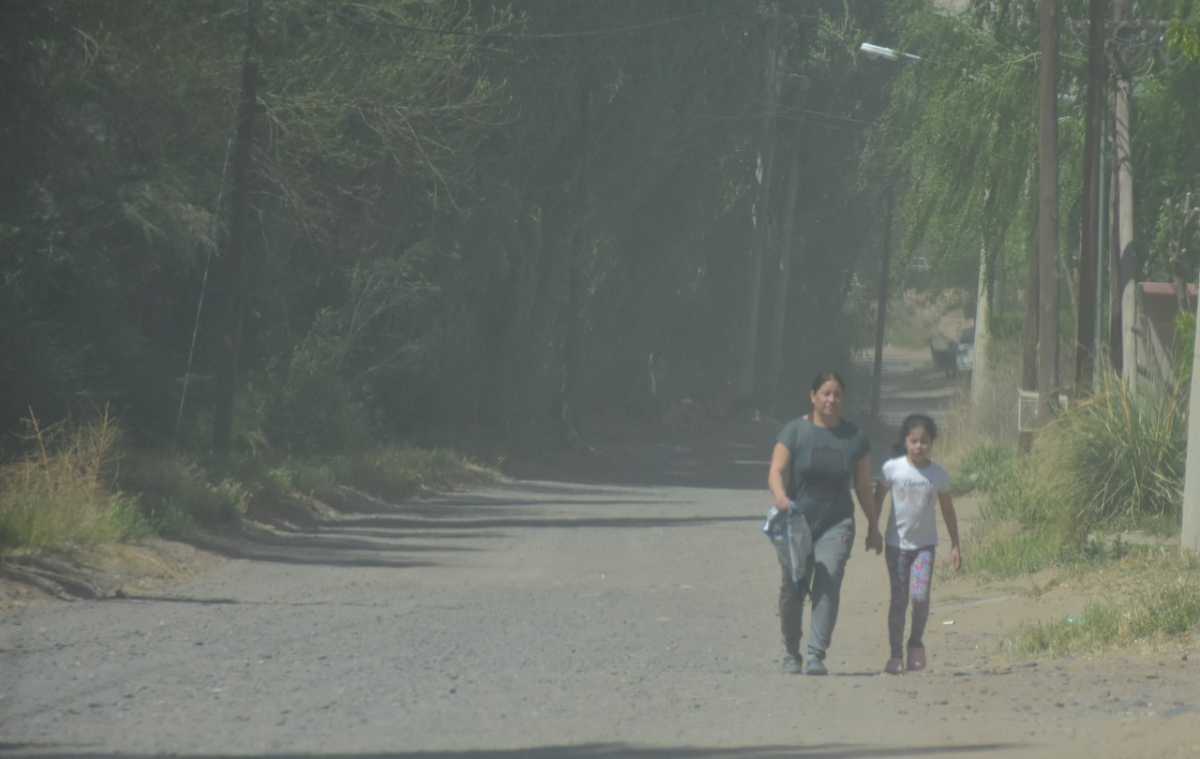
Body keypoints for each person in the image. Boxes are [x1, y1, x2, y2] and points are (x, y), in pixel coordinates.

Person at [768, 371, 882, 675]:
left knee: (828, 579)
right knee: (793, 588)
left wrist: (873, 525)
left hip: (837, 522)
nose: (831, 400)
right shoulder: (794, 431)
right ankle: (792, 651)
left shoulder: (854, 438)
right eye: (825, 393)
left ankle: (816, 653)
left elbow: (863, 485)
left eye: (837, 395)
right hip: (797, 523)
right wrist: (780, 497)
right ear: (813, 396)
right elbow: (776, 471)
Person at [874, 413, 962, 675]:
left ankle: (915, 643)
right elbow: (877, 499)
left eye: (924, 441)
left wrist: (956, 544)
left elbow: (948, 510)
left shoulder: (938, 475)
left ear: (931, 443)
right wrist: (872, 530)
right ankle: (895, 654)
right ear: (905, 442)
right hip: (896, 545)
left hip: (925, 547)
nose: (919, 447)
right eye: (914, 441)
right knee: (899, 600)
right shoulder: (893, 469)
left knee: (920, 597)